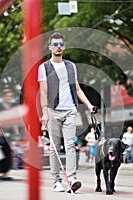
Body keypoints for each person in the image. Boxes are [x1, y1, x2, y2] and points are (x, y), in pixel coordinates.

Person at [38, 32, 94, 193]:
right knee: (55, 147)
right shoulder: (44, 67)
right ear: (50, 47)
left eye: (61, 44)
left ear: (64, 46)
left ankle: (72, 178)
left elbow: (77, 88)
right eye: (55, 44)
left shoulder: (71, 66)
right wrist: (45, 113)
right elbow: (43, 92)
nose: (58, 47)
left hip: (70, 110)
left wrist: (89, 105)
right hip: (52, 110)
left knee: (70, 145)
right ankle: (56, 181)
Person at [0, 88, 20, 180]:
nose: (9, 97)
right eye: (7, 95)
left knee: (8, 152)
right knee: (0, 152)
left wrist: (16, 132)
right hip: (0, 132)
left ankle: (6, 172)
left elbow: (14, 121)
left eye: (10, 95)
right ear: (3, 96)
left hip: (10, 132)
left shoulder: (12, 107)